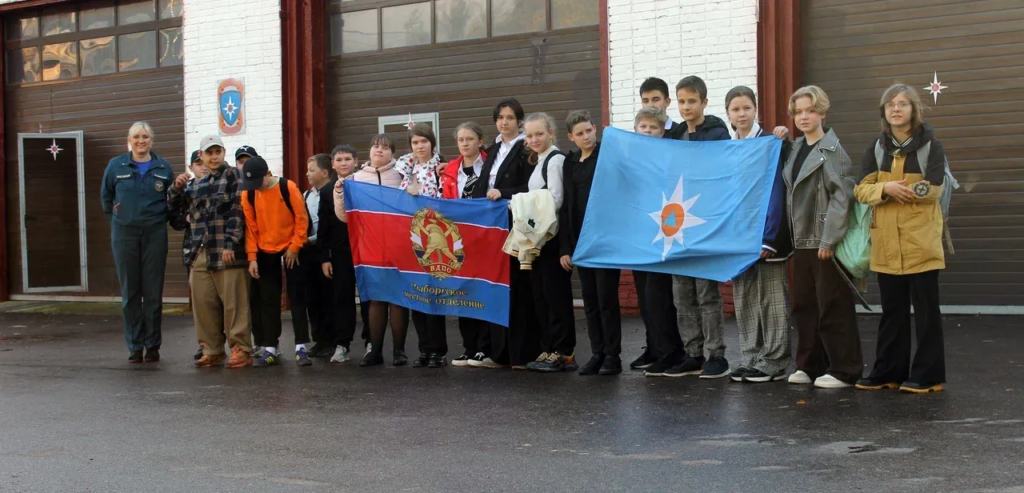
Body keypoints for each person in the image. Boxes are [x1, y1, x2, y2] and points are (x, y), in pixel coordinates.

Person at [854, 84, 947, 394]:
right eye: (890, 104)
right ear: (884, 111)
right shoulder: (877, 147)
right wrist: (885, 189)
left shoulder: (930, 145)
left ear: (913, 109)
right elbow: (861, 189)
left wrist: (907, 191)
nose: (896, 108)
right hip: (887, 243)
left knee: (926, 313)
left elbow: (935, 187)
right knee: (892, 312)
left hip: (921, 241)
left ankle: (928, 376)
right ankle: (888, 372)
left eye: (903, 103)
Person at [649, 76, 732, 379]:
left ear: (704, 102)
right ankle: (692, 353)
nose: (686, 107)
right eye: (682, 101)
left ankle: (717, 355)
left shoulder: (717, 134)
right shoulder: (675, 136)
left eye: (692, 101)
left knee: (706, 293)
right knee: (682, 293)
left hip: (705, 223)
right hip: (677, 225)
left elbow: (722, 174)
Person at [782, 85, 862, 389]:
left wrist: (829, 240)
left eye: (810, 111)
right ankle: (809, 365)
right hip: (801, 240)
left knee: (833, 305)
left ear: (823, 113)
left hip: (824, 241)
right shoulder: (795, 149)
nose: (804, 117)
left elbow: (843, 197)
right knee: (804, 306)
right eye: (798, 112)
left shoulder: (833, 151)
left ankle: (844, 369)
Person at [722, 86, 794, 383]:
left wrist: (770, 237)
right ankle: (751, 357)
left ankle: (774, 361)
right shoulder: (727, 149)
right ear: (728, 114)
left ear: (756, 110)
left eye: (747, 108)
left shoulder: (770, 143)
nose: (741, 114)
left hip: (767, 236)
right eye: (735, 109)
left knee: (771, 300)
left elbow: (777, 192)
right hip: (739, 237)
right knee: (746, 298)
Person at [169, 135, 253, 369]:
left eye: (218, 152)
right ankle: (212, 349)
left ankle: (241, 348)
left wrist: (230, 243)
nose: (214, 157)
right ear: (201, 156)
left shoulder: (234, 175)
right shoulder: (197, 184)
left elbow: (238, 211)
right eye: (209, 153)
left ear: (224, 153)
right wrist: (175, 188)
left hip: (227, 250)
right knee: (203, 303)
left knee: (234, 304)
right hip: (201, 251)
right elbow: (174, 209)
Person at [472, 97, 540, 370]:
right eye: (500, 118)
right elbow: (482, 183)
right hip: (493, 229)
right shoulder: (493, 149)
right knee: (496, 286)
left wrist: (504, 193)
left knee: (518, 289)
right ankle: (497, 352)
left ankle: (520, 354)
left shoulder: (526, 148)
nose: (504, 122)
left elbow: (531, 186)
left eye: (510, 118)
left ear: (519, 121)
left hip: (516, 226)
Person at [100, 122, 174, 364]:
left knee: (153, 292)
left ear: (152, 140)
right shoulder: (116, 166)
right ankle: (135, 346)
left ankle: (152, 345)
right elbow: (106, 198)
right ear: (129, 140)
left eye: (145, 136)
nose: (141, 141)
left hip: (155, 233)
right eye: (136, 137)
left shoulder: (164, 168)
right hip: (125, 235)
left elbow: (171, 200)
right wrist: (120, 220)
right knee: (130, 292)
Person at [335, 134, 411, 367]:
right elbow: (344, 217)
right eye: (376, 146)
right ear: (369, 151)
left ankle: (399, 351)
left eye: (385, 148)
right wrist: (339, 193)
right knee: (376, 299)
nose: (379, 150)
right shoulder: (356, 179)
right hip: (371, 246)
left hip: (399, 245)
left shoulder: (402, 175)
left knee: (398, 299)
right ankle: (374, 351)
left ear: (392, 153)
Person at [558, 110, 622, 376]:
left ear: (595, 128)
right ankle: (597, 353)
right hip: (581, 241)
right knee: (591, 300)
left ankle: (613, 356)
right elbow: (565, 206)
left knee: (607, 299)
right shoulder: (570, 163)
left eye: (588, 130)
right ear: (571, 137)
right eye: (579, 133)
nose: (586, 136)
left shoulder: (607, 156)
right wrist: (566, 248)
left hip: (605, 239)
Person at [518, 112, 577, 373]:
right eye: (530, 135)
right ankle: (549, 348)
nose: (534, 139)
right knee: (541, 296)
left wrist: (521, 204)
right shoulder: (539, 160)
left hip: (551, 238)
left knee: (556, 297)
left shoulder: (555, 160)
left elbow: (556, 200)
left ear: (551, 133)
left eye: (539, 134)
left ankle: (564, 352)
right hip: (538, 239)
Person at [630, 91, 678, 370]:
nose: (647, 131)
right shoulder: (630, 157)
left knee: (658, 296)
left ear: (662, 131)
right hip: (638, 236)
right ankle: (653, 348)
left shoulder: (669, 156)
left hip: (663, 234)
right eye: (643, 126)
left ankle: (667, 351)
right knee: (644, 296)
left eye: (653, 127)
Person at [395, 124, 449, 369]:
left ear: (432, 143)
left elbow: (447, 200)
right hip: (412, 237)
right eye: (415, 142)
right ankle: (424, 349)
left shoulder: (442, 168)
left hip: (435, 237)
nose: (420, 146)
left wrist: (422, 198)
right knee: (417, 293)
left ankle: (438, 350)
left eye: (424, 141)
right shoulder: (407, 169)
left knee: (434, 294)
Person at [440, 122, 490, 367]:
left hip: (486, 239)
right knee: (463, 294)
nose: (465, 143)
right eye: (461, 139)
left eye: (470, 139)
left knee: (484, 292)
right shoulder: (450, 170)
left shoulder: (491, 165)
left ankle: (485, 348)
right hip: (459, 241)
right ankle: (469, 347)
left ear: (480, 141)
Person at [318, 145, 368, 363]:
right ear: (332, 164)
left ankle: (371, 342)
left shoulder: (365, 185)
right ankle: (342, 344)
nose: (344, 163)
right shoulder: (327, 190)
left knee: (368, 297)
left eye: (348, 159)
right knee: (342, 298)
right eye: (339, 160)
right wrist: (324, 258)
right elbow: (323, 227)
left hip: (366, 250)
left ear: (356, 161)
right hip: (340, 253)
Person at [168, 150, 210, 361]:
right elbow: (174, 219)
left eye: (205, 162)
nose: (203, 166)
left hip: (218, 250)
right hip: (194, 251)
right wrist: (186, 217)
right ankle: (205, 344)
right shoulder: (185, 190)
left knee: (223, 301)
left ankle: (228, 343)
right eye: (198, 163)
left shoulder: (222, 183)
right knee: (200, 302)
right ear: (191, 167)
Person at [299, 154, 336, 362]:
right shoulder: (306, 195)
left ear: (324, 172)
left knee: (327, 297)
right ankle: (319, 339)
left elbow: (327, 226)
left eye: (312, 170)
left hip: (326, 251)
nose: (307, 173)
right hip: (308, 253)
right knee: (312, 298)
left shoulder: (333, 192)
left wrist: (311, 240)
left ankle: (331, 340)